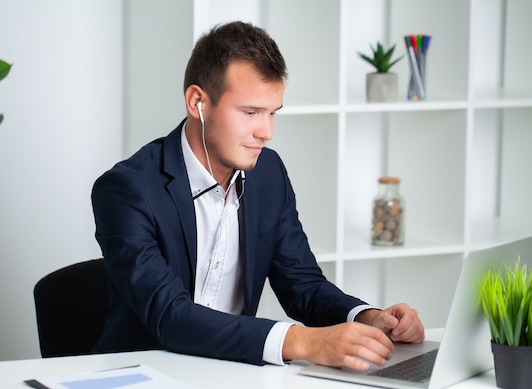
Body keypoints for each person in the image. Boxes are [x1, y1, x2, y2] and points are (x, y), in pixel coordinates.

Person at [91, 21, 424, 369]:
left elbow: (302, 285)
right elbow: (170, 316)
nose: (266, 132)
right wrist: (301, 340)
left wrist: (366, 317)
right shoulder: (126, 190)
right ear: (197, 102)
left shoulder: (268, 174)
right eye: (250, 112)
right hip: (140, 375)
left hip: (231, 372)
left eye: (272, 113)